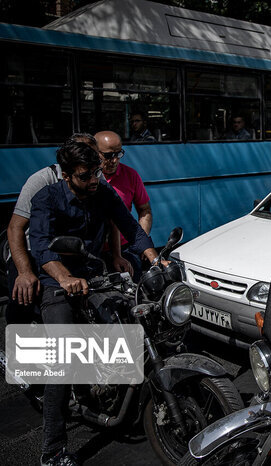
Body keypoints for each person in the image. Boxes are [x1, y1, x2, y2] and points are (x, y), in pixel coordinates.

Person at [30, 140, 161, 466]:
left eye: (96, 173)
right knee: (62, 360)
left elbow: (131, 225)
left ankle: (115, 391)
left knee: (133, 317)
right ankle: (52, 450)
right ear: (65, 175)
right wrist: (63, 277)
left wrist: (154, 258)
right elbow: (42, 247)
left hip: (94, 275)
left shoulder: (102, 193)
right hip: (56, 283)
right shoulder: (46, 198)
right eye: (84, 176)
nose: (93, 181)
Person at [5, 134, 130, 324]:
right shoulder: (41, 180)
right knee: (24, 294)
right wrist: (24, 272)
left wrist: (116, 255)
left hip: (72, 254)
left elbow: (112, 221)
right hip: (30, 251)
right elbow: (15, 228)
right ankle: (14, 346)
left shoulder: (95, 178)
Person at [95, 130, 152, 280]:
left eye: (118, 154)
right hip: (94, 252)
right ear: (94, 152)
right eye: (108, 156)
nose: (114, 160)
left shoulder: (131, 175)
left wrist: (140, 244)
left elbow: (144, 210)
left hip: (126, 249)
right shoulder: (88, 179)